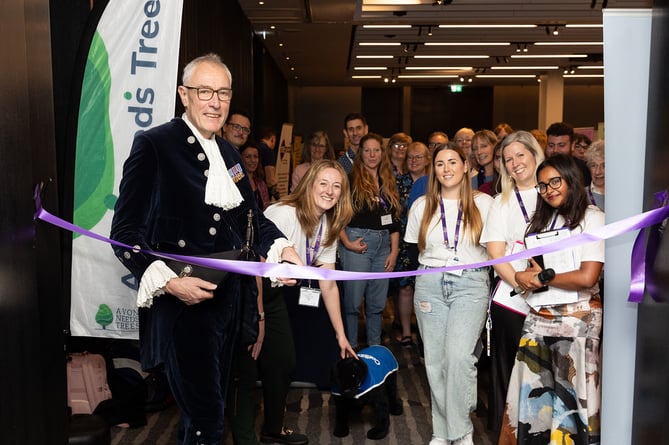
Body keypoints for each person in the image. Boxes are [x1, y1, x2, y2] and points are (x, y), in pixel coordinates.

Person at [109, 53, 303, 445]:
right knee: (207, 418)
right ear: (185, 94)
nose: (216, 101)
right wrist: (169, 283)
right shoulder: (155, 144)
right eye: (205, 91)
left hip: (230, 306)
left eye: (224, 94)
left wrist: (281, 247)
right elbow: (124, 233)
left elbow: (253, 219)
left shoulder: (231, 155)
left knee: (207, 413)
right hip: (185, 308)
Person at [228, 159, 357, 445]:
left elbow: (329, 283)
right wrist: (259, 319)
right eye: (323, 183)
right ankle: (244, 438)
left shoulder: (328, 223)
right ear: (309, 184)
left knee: (283, 362)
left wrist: (341, 334)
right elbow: (256, 271)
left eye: (336, 186)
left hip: (273, 296)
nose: (329, 190)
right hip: (248, 293)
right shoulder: (282, 213)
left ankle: (272, 430)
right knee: (247, 369)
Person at [498, 154, 604, 445]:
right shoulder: (540, 222)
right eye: (543, 185)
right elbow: (529, 271)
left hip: (577, 320)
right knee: (534, 399)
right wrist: (522, 278)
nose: (549, 190)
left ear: (571, 179)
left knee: (571, 400)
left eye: (554, 181)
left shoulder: (592, 217)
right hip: (539, 318)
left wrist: (545, 276)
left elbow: (587, 277)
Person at [404, 144, 493, 445]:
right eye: (440, 163)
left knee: (458, 357)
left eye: (453, 162)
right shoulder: (421, 206)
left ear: (466, 166)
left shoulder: (485, 204)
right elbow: (417, 248)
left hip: (471, 283)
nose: (446, 168)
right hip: (429, 282)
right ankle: (442, 432)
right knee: (435, 361)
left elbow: (496, 248)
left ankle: (460, 428)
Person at [479, 131, 545, 433]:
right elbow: (495, 254)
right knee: (509, 373)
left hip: (556, 299)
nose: (516, 163)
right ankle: (509, 434)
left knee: (546, 373)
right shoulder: (500, 203)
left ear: (534, 154)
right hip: (512, 300)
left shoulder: (556, 192)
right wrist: (519, 279)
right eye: (508, 159)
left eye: (521, 154)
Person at [339, 132, 400, 348]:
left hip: (384, 246)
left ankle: (375, 349)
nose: (372, 154)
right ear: (360, 153)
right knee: (353, 303)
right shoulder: (350, 179)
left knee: (376, 304)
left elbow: (393, 222)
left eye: (376, 150)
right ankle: (351, 348)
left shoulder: (388, 180)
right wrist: (346, 243)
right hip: (358, 243)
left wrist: (393, 252)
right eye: (367, 150)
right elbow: (337, 215)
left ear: (382, 153)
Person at [392, 141, 431, 347]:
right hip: (405, 241)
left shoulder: (436, 181)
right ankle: (406, 332)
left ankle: (425, 333)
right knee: (405, 287)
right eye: (410, 157)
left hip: (429, 242)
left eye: (418, 157)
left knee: (424, 288)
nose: (414, 160)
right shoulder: (397, 182)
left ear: (427, 160)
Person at [240, 142, 271, 210]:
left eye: (255, 156)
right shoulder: (236, 182)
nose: (253, 160)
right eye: (248, 157)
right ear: (240, 158)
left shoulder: (261, 183)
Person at [584, 140, 605, 210]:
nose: (598, 172)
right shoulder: (580, 195)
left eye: (604, 166)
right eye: (593, 166)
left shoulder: (620, 194)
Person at [256, 126, 278, 190]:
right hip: (264, 190)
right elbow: (270, 180)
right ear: (272, 139)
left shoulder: (255, 147)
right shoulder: (268, 151)